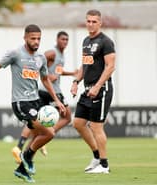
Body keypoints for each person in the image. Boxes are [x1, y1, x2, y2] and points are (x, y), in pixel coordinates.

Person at [0, 24, 66, 183]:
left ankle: (22, 170)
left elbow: (45, 79)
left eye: (39, 38)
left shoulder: (41, 58)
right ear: (25, 38)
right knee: (49, 133)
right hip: (20, 103)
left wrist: (57, 100)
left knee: (40, 135)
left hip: (35, 101)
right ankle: (26, 156)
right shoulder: (15, 54)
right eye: (33, 38)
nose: (36, 41)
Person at [12, 31, 78, 163]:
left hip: (44, 91)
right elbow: (39, 62)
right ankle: (44, 136)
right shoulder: (52, 53)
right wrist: (45, 75)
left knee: (35, 119)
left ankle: (20, 146)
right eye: (62, 39)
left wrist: (71, 73)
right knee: (67, 117)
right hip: (50, 90)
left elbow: (57, 71)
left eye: (66, 40)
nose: (65, 42)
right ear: (57, 40)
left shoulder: (61, 55)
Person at [70, 9, 115, 174]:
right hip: (87, 90)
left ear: (100, 23)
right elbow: (85, 65)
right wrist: (75, 82)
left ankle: (104, 166)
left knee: (96, 127)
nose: (91, 24)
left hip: (101, 89)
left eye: (94, 21)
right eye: (88, 21)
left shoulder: (106, 42)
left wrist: (97, 86)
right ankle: (97, 157)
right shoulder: (86, 41)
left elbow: (111, 67)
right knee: (78, 123)